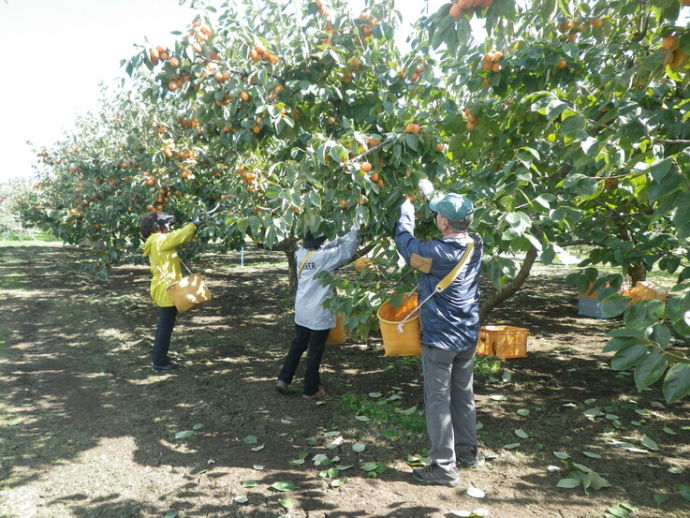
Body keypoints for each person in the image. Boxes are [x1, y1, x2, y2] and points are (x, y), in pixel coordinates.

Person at [394, 189, 483, 487]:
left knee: (438, 400)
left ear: (444, 222)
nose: (435, 219)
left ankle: (444, 466)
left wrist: (407, 210)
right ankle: (468, 453)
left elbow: (406, 246)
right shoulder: (475, 243)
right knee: (463, 395)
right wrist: (433, 194)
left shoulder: (435, 254)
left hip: (440, 338)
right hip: (467, 333)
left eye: (438, 215)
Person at [276, 226, 361, 399]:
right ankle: (310, 389)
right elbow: (346, 251)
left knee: (298, 345)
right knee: (315, 350)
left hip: (302, 310)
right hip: (319, 312)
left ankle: (283, 379)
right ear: (321, 243)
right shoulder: (325, 258)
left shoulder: (301, 253)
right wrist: (356, 230)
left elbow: (330, 246)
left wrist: (340, 238)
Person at [141, 211, 199, 373]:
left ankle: (161, 358)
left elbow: (178, 237)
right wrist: (194, 224)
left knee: (164, 326)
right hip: (167, 290)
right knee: (165, 327)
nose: (168, 226)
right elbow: (179, 236)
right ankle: (159, 362)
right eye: (165, 223)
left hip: (164, 288)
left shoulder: (155, 240)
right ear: (157, 227)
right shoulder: (160, 240)